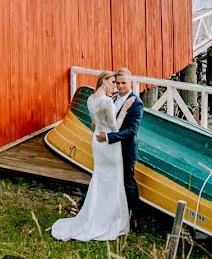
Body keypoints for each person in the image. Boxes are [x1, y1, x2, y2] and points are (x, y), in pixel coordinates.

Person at [51, 71, 133, 241]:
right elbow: (115, 127)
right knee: (114, 181)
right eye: (112, 82)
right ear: (104, 81)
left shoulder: (90, 99)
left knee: (100, 179)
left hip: (97, 142)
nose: (115, 86)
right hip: (109, 145)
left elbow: (95, 123)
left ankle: (96, 215)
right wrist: (124, 109)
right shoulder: (107, 101)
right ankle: (112, 221)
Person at [98, 67, 144, 229]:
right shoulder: (115, 97)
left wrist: (109, 137)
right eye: (117, 83)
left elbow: (132, 131)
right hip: (111, 148)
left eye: (124, 83)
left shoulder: (137, 103)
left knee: (128, 182)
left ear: (131, 82)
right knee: (105, 175)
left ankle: (136, 216)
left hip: (126, 149)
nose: (120, 86)